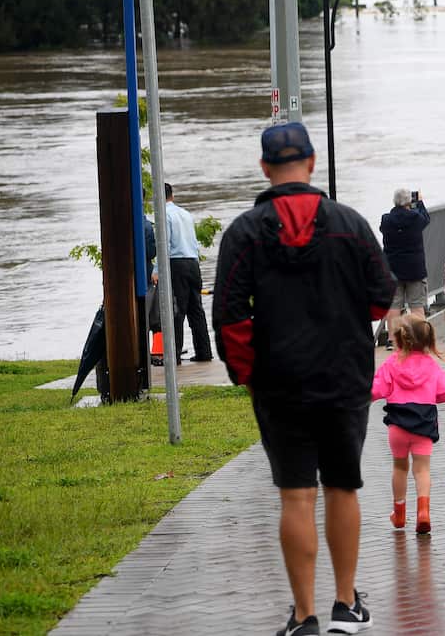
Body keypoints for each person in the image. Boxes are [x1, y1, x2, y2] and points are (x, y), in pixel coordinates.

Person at [212, 122, 395, 636]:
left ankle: (303, 616)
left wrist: (249, 375)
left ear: (265, 169)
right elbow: (381, 297)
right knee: (342, 487)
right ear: (312, 164)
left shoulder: (245, 232)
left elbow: (228, 315)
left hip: (279, 382)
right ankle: (345, 604)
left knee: (295, 495)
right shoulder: (351, 225)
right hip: (343, 379)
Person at [371, 314, 445, 535]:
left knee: (400, 468)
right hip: (424, 423)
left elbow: (376, 390)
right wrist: (430, 395)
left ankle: (399, 513)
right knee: (422, 469)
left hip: (397, 425)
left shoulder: (392, 363)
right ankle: (423, 512)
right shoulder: (431, 366)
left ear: (398, 339)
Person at [161, 182, 213, 362]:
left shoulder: (164, 216)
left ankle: (173, 355)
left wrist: (157, 270)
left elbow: (164, 245)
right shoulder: (185, 214)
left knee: (177, 310)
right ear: (172, 196)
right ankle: (204, 351)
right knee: (196, 310)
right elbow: (193, 242)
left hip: (176, 264)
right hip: (193, 263)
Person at [378, 188, 431, 350]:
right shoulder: (415, 218)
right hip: (414, 270)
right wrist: (419, 202)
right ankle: (419, 340)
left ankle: (394, 340)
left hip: (393, 270)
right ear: (409, 202)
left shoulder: (386, 220)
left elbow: (382, 230)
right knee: (416, 305)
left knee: (394, 305)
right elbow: (426, 219)